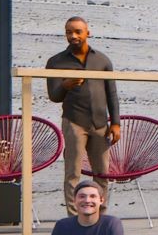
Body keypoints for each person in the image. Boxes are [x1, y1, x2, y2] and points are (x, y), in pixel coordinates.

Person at [46, 17, 121, 207]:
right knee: (73, 173)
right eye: (69, 32)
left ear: (88, 32)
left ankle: (100, 216)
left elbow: (111, 93)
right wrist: (65, 85)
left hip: (100, 124)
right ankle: (74, 219)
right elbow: (54, 96)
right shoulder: (56, 62)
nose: (73, 36)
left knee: (102, 173)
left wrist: (116, 123)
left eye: (78, 31)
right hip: (74, 122)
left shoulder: (102, 60)